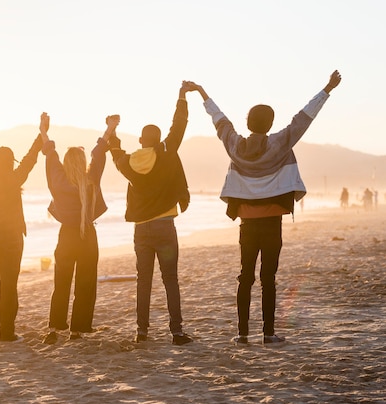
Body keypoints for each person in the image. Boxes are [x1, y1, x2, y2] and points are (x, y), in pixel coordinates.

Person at [193, 70, 342, 344]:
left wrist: (203, 94)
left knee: (245, 276)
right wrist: (327, 89)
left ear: (248, 122)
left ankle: (241, 334)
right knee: (268, 279)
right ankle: (269, 334)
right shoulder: (281, 142)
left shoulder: (235, 146)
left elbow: (220, 122)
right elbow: (304, 118)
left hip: (247, 223)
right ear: (270, 122)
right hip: (273, 221)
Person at [108, 81, 196, 346]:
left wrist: (112, 130)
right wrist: (182, 96)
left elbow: (115, 153)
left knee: (143, 281)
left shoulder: (130, 161)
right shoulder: (167, 151)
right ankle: (177, 332)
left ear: (142, 141)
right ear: (158, 140)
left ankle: (142, 331)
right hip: (165, 227)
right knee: (170, 280)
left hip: (142, 230)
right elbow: (178, 125)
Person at [40, 112, 119, 344]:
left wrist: (44, 131)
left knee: (61, 281)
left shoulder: (58, 179)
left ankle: (54, 329)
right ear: (82, 164)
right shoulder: (90, 179)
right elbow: (99, 154)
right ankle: (76, 330)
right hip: (87, 235)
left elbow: (50, 155)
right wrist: (110, 128)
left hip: (66, 235)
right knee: (85, 282)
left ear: (66, 163)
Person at [0, 116, 43, 343]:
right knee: (9, 286)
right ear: (10, 162)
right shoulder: (14, 178)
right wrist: (41, 133)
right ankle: (6, 333)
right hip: (11, 240)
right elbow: (30, 159)